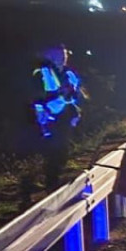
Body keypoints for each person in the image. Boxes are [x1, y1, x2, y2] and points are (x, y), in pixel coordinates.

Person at [31, 44, 86, 190]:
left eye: (64, 55)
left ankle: (57, 178)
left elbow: (77, 93)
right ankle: (51, 183)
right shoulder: (42, 72)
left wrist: (75, 107)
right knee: (53, 151)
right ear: (49, 57)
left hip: (66, 116)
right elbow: (36, 97)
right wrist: (41, 116)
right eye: (58, 55)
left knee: (63, 148)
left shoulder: (68, 73)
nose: (62, 58)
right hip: (51, 118)